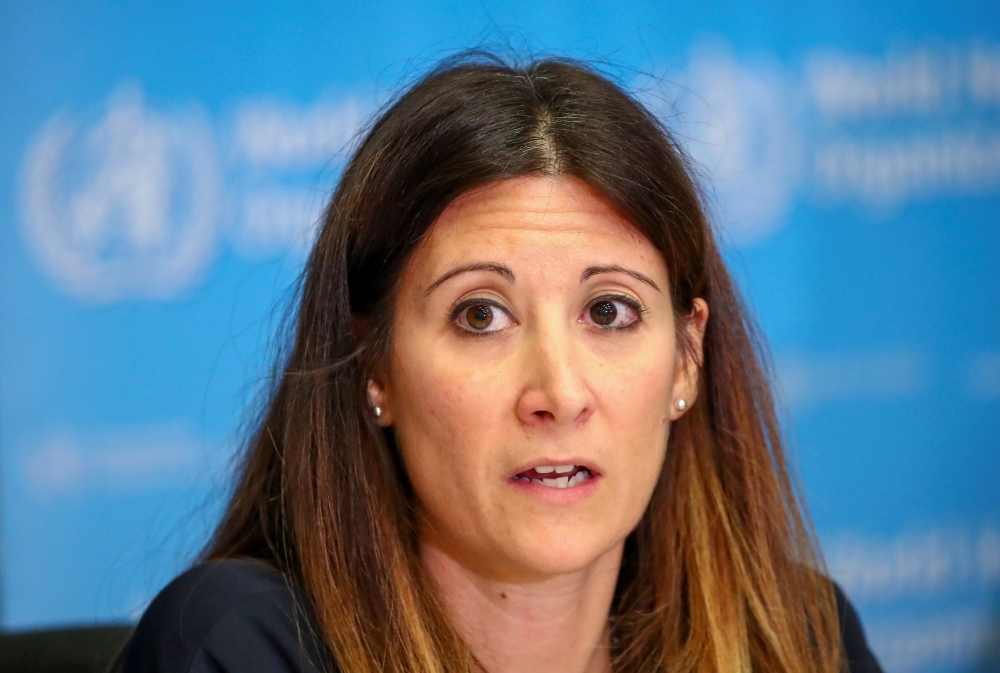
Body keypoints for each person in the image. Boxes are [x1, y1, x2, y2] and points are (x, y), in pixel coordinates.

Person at [119, 53, 883, 673]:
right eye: (480, 315)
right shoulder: (244, 647)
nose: (558, 392)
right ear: (373, 366)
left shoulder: (795, 639)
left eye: (609, 311)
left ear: (686, 360)